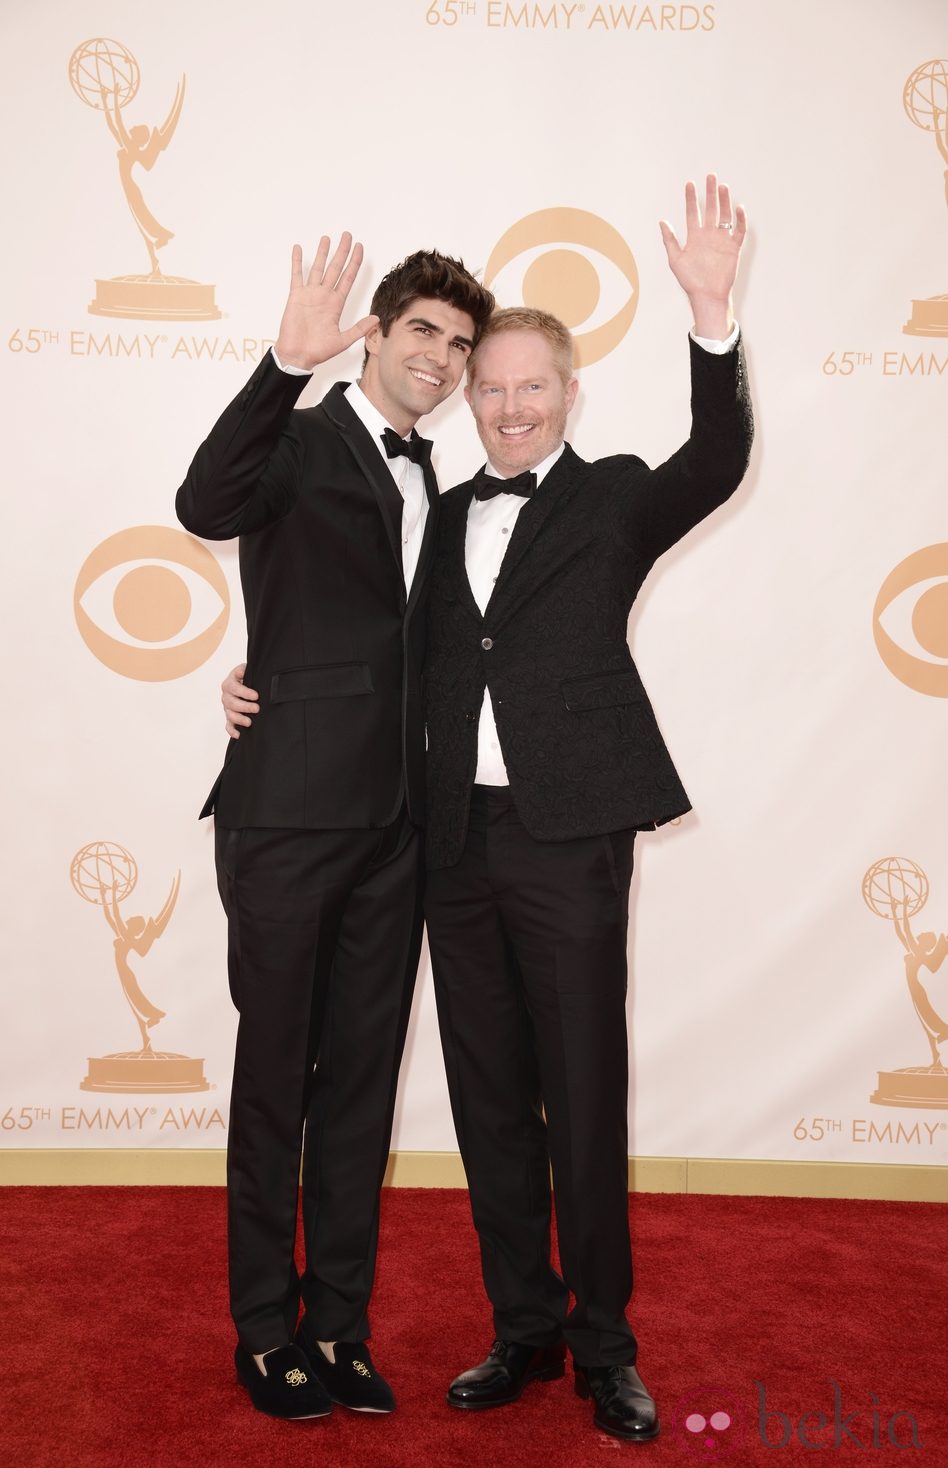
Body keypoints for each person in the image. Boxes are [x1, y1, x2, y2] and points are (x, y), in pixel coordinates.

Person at [221, 175, 753, 1442]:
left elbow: (720, 458)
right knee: (483, 1097)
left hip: (569, 842)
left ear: (567, 397)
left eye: (530, 386)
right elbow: (363, 639)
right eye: (488, 385)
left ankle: (601, 1346)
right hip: (446, 846)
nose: (507, 404)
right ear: (464, 393)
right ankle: (519, 1328)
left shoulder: (615, 495)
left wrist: (712, 318)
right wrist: (259, 677)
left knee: (582, 1091)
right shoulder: (434, 511)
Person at [176, 235, 494, 1422]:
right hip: (288, 815)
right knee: (274, 1077)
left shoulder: (448, 489)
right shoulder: (300, 441)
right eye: (423, 331)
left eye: (460, 344)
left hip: (398, 829)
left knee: (360, 1083)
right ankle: (265, 1328)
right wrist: (279, 365)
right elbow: (202, 503)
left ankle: (338, 1325)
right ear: (374, 332)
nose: (443, 358)